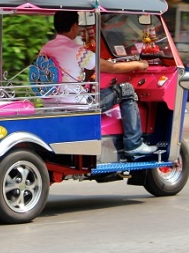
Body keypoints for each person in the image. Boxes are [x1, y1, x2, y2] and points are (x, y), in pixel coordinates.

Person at [40, 11, 156, 157]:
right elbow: (111, 67)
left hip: (51, 105)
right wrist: (139, 65)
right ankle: (134, 144)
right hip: (79, 107)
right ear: (75, 26)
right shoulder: (77, 51)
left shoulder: (46, 48)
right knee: (126, 89)